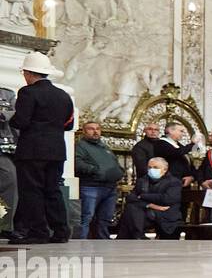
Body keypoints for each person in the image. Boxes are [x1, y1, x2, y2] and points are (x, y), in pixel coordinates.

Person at [10, 52, 74, 244]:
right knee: (52, 190)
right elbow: (69, 124)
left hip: (32, 150)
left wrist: (9, 118)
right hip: (56, 150)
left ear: (28, 73)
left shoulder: (27, 92)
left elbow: (21, 121)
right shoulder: (63, 95)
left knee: (32, 191)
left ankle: (38, 232)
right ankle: (61, 231)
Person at [74, 121, 124, 239]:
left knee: (105, 218)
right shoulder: (80, 146)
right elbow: (77, 163)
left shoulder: (104, 147)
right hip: (91, 186)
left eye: (97, 129)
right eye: (91, 129)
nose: (95, 131)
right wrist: (95, 170)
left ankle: (103, 243)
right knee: (87, 217)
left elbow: (114, 162)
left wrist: (120, 171)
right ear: (84, 132)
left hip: (110, 187)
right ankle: (80, 242)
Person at [120, 156, 182, 240]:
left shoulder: (173, 182)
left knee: (131, 213)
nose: (151, 169)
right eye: (149, 167)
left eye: (155, 167)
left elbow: (167, 199)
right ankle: (138, 236)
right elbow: (130, 198)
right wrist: (149, 205)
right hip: (145, 211)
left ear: (165, 169)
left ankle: (135, 237)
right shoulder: (143, 180)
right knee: (131, 208)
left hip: (165, 213)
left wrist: (143, 196)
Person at [0, 86, 18, 237]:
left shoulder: (7, 93)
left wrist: (3, 115)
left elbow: (16, 113)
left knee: (10, 182)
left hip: (3, 148)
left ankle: (5, 226)